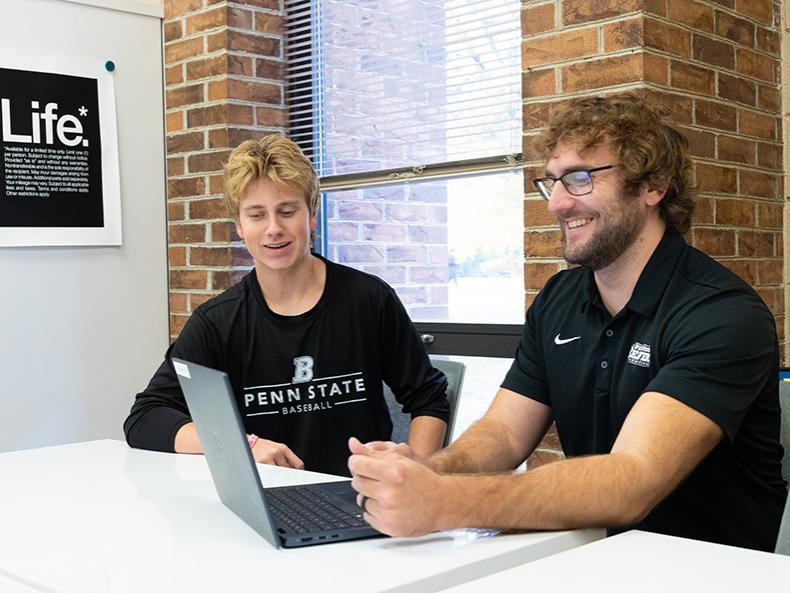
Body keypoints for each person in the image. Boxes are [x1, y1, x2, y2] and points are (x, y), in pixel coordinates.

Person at [347, 94, 788, 551]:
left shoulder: (722, 314)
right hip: (593, 558)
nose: (556, 203)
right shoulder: (559, 299)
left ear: (652, 186)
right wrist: (427, 472)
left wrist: (444, 501)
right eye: (552, 182)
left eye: (579, 179)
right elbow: (504, 431)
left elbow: (633, 479)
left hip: (714, 573)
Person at [124, 135, 450, 477]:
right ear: (239, 226)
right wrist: (243, 444)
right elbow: (146, 418)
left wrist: (415, 475)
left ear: (311, 214)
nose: (273, 229)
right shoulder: (218, 322)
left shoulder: (369, 300)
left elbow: (429, 398)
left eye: (287, 211)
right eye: (256, 215)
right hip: (266, 506)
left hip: (361, 500)